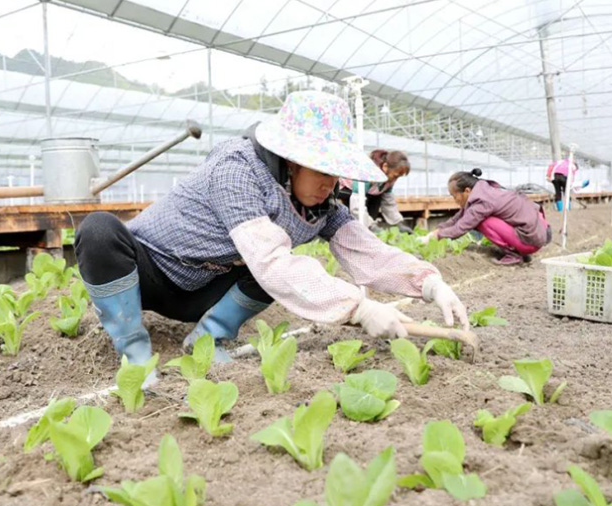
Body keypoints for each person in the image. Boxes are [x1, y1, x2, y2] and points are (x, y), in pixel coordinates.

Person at [75, 91, 468, 376]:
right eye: (321, 170)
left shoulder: (321, 202)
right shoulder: (237, 168)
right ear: (292, 161)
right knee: (98, 230)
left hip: (202, 288)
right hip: (149, 271)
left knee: (286, 269)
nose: (329, 184)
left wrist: (429, 283)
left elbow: (364, 249)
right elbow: (269, 259)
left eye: (334, 173)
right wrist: (358, 308)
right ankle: (134, 354)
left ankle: (209, 340)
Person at [419, 168, 552, 266]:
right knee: (480, 219)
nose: (455, 199)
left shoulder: (483, 202)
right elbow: (459, 217)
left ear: (466, 191)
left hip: (531, 239)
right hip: (536, 233)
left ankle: (514, 255)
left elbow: (461, 227)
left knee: (482, 222)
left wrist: (436, 236)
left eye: (455, 196)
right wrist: (437, 231)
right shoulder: (484, 190)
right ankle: (521, 251)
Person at [337, 150, 412, 233]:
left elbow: (388, 202)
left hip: (367, 193)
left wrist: (398, 223)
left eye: (398, 177)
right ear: (385, 166)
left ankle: (368, 231)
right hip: (344, 189)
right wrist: (370, 225)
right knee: (359, 220)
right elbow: (357, 204)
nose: (395, 179)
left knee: (378, 196)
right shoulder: (368, 173)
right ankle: (362, 231)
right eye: (395, 176)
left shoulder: (390, 179)